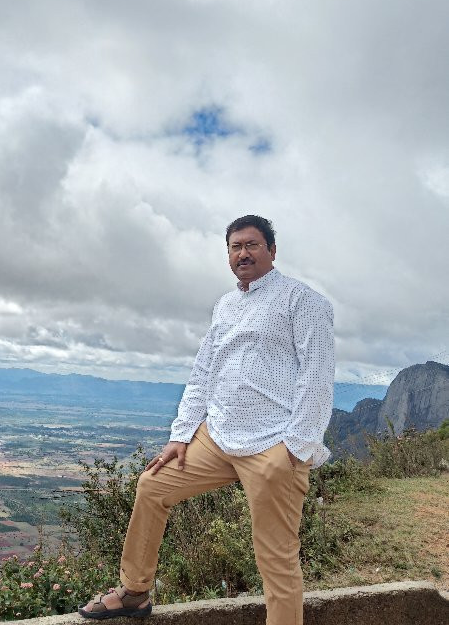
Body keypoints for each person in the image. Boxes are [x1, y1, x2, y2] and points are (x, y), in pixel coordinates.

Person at [79, 214, 335, 625]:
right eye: (235, 247)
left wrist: (294, 448)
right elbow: (204, 373)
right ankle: (135, 591)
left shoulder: (304, 302)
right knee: (152, 485)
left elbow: (317, 377)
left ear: (272, 250)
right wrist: (180, 436)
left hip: (274, 445)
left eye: (252, 244)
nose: (243, 253)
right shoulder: (225, 305)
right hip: (216, 437)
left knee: (276, 556)